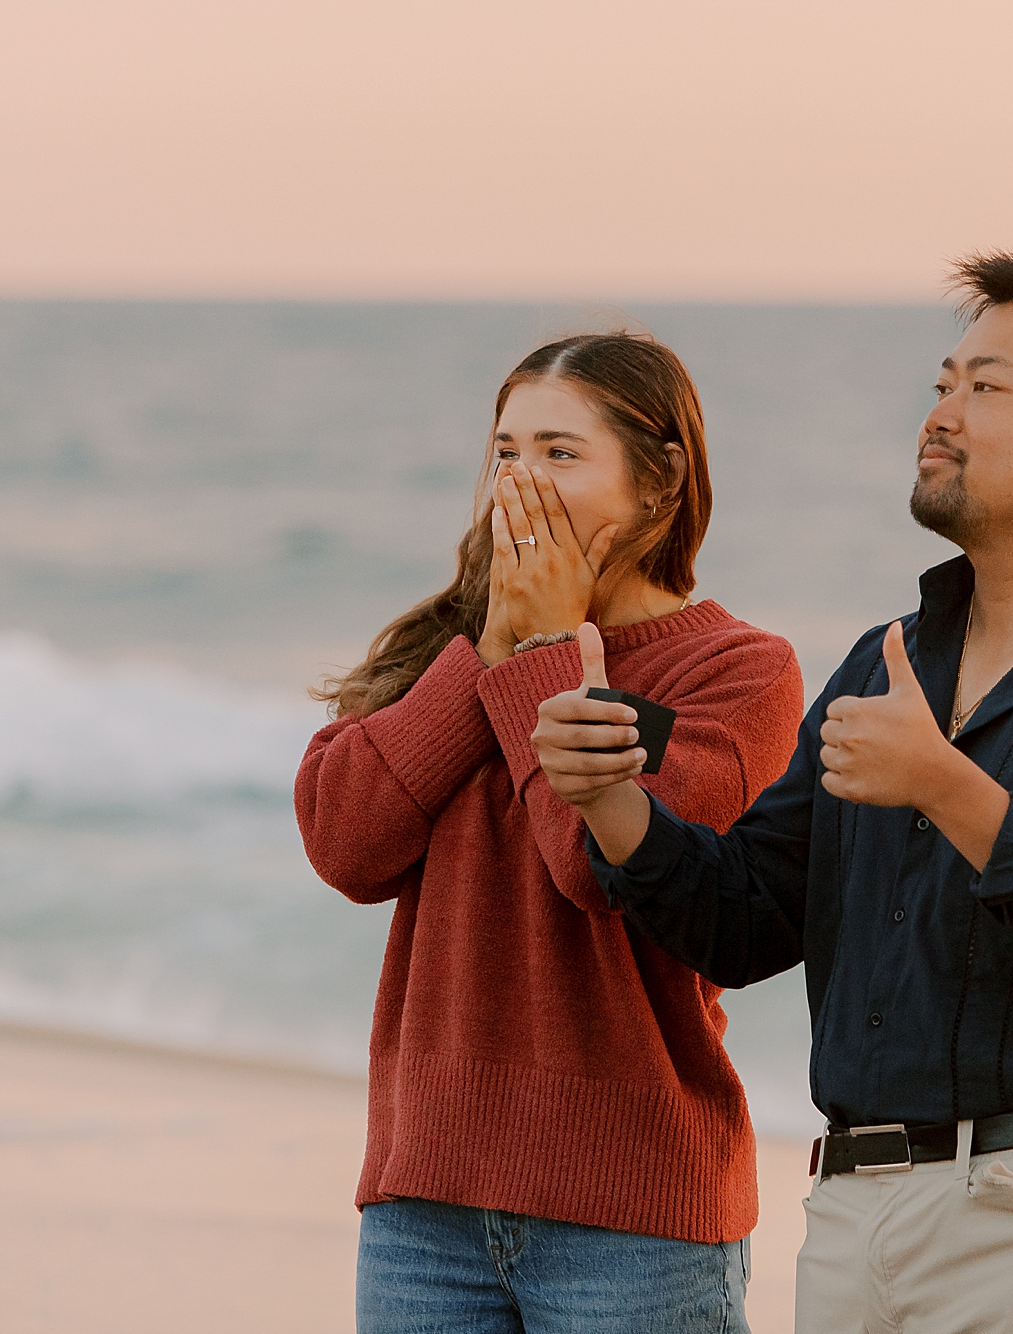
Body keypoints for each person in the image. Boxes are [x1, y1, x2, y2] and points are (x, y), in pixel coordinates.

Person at [533, 255, 1013, 1332]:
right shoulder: (888, 659)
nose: (942, 412)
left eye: (987, 387)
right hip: (852, 1218)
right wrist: (609, 800)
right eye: (942, 383)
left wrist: (948, 789)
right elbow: (747, 917)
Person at [296, 333, 803, 1333]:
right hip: (422, 1203)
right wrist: (483, 651)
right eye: (505, 451)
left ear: (660, 481)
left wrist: (538, 648)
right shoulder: (443, 646)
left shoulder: (737, 672)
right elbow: (343, 841)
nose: (520, 481)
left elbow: (595, 862)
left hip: (634, 1220)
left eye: (560, 453)